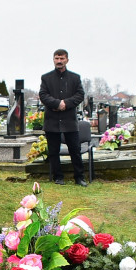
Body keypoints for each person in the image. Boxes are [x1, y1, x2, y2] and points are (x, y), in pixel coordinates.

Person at [39, 49, 87, 186]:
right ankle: (58, 177)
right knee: (53, 151)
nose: (59, 61)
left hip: (69, 120)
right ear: (53, 60)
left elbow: (80, 94)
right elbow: (43, 95)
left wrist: (65, 104)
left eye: (62, 58)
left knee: (75, 150)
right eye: (56, 58)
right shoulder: (46, 78)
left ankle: (79, 177)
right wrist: (56, 103)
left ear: (67, 60)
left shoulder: (75, 77)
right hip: (52, 120)